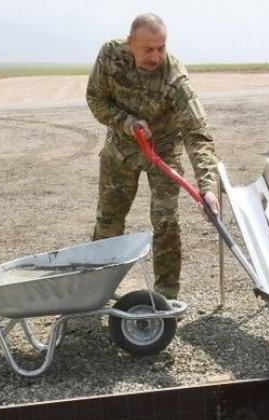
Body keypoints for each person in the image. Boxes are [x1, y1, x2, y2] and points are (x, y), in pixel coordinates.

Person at [86, 13, 220, 300]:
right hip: (121, 147)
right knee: (109, 219)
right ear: (130, 42)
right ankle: (96, 288)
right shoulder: (110, 55)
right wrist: (126, 121)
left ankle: (166, 296)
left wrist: (208, 188)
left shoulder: (175, 78)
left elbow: (198, 135)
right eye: (148, 49)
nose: (156, 56)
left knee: (166, 221)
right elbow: (96, 99)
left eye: (161, 47)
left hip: (164, 148)